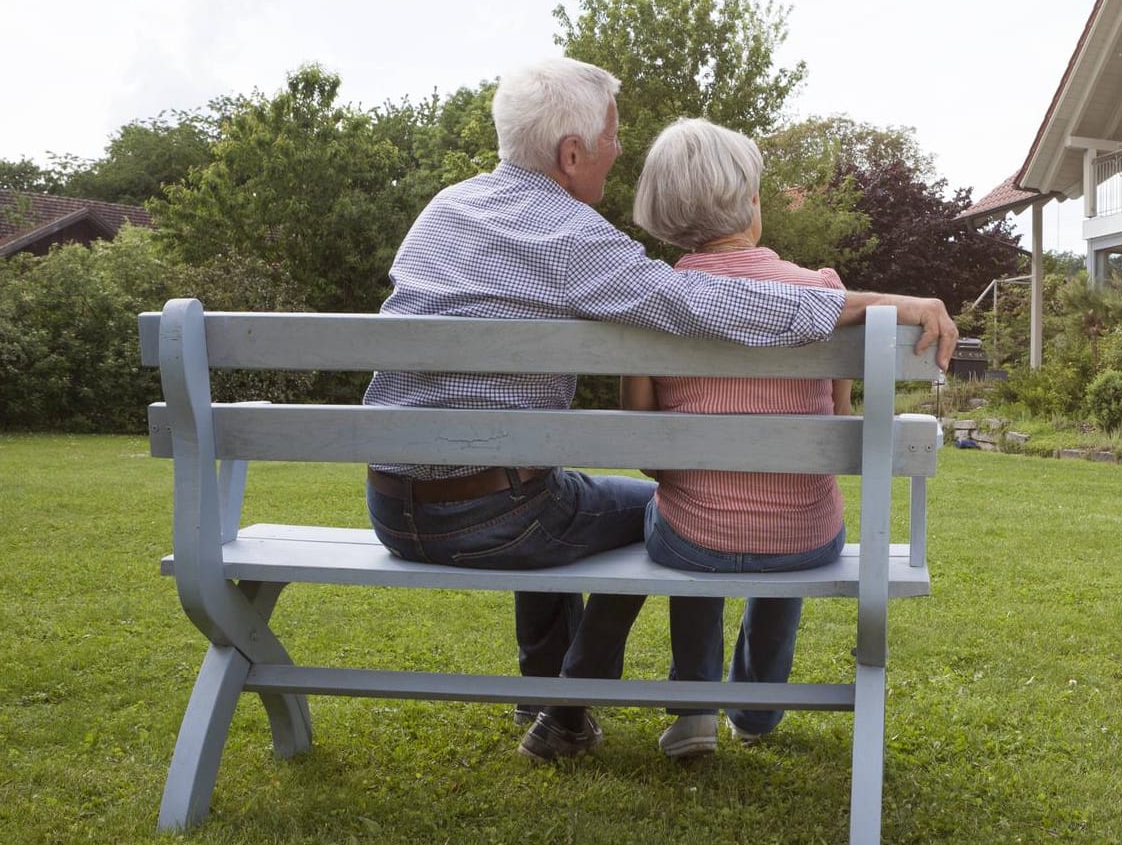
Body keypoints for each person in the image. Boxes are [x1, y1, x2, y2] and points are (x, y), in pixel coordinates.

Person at [361, 57, 957, 765]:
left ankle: (550, 697)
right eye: (613, 135)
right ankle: (564, 709)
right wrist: (882, 304)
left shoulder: (446, 207)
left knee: (571, 493)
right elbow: (705, 303)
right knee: (645, 506)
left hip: (393, 507)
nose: (620, 147)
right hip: (498, 518)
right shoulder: (570, 235)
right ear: (571, 153)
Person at [622, 117, 854, 759]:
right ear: (751, 204)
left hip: (694, 539)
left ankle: (693, 710)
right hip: (804, 539)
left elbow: (646, 456)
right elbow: (835, 431)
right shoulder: (824, 295)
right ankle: (756, 710)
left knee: (683, 522)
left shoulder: (653, 302)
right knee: (787, 530)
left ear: (664, 215)